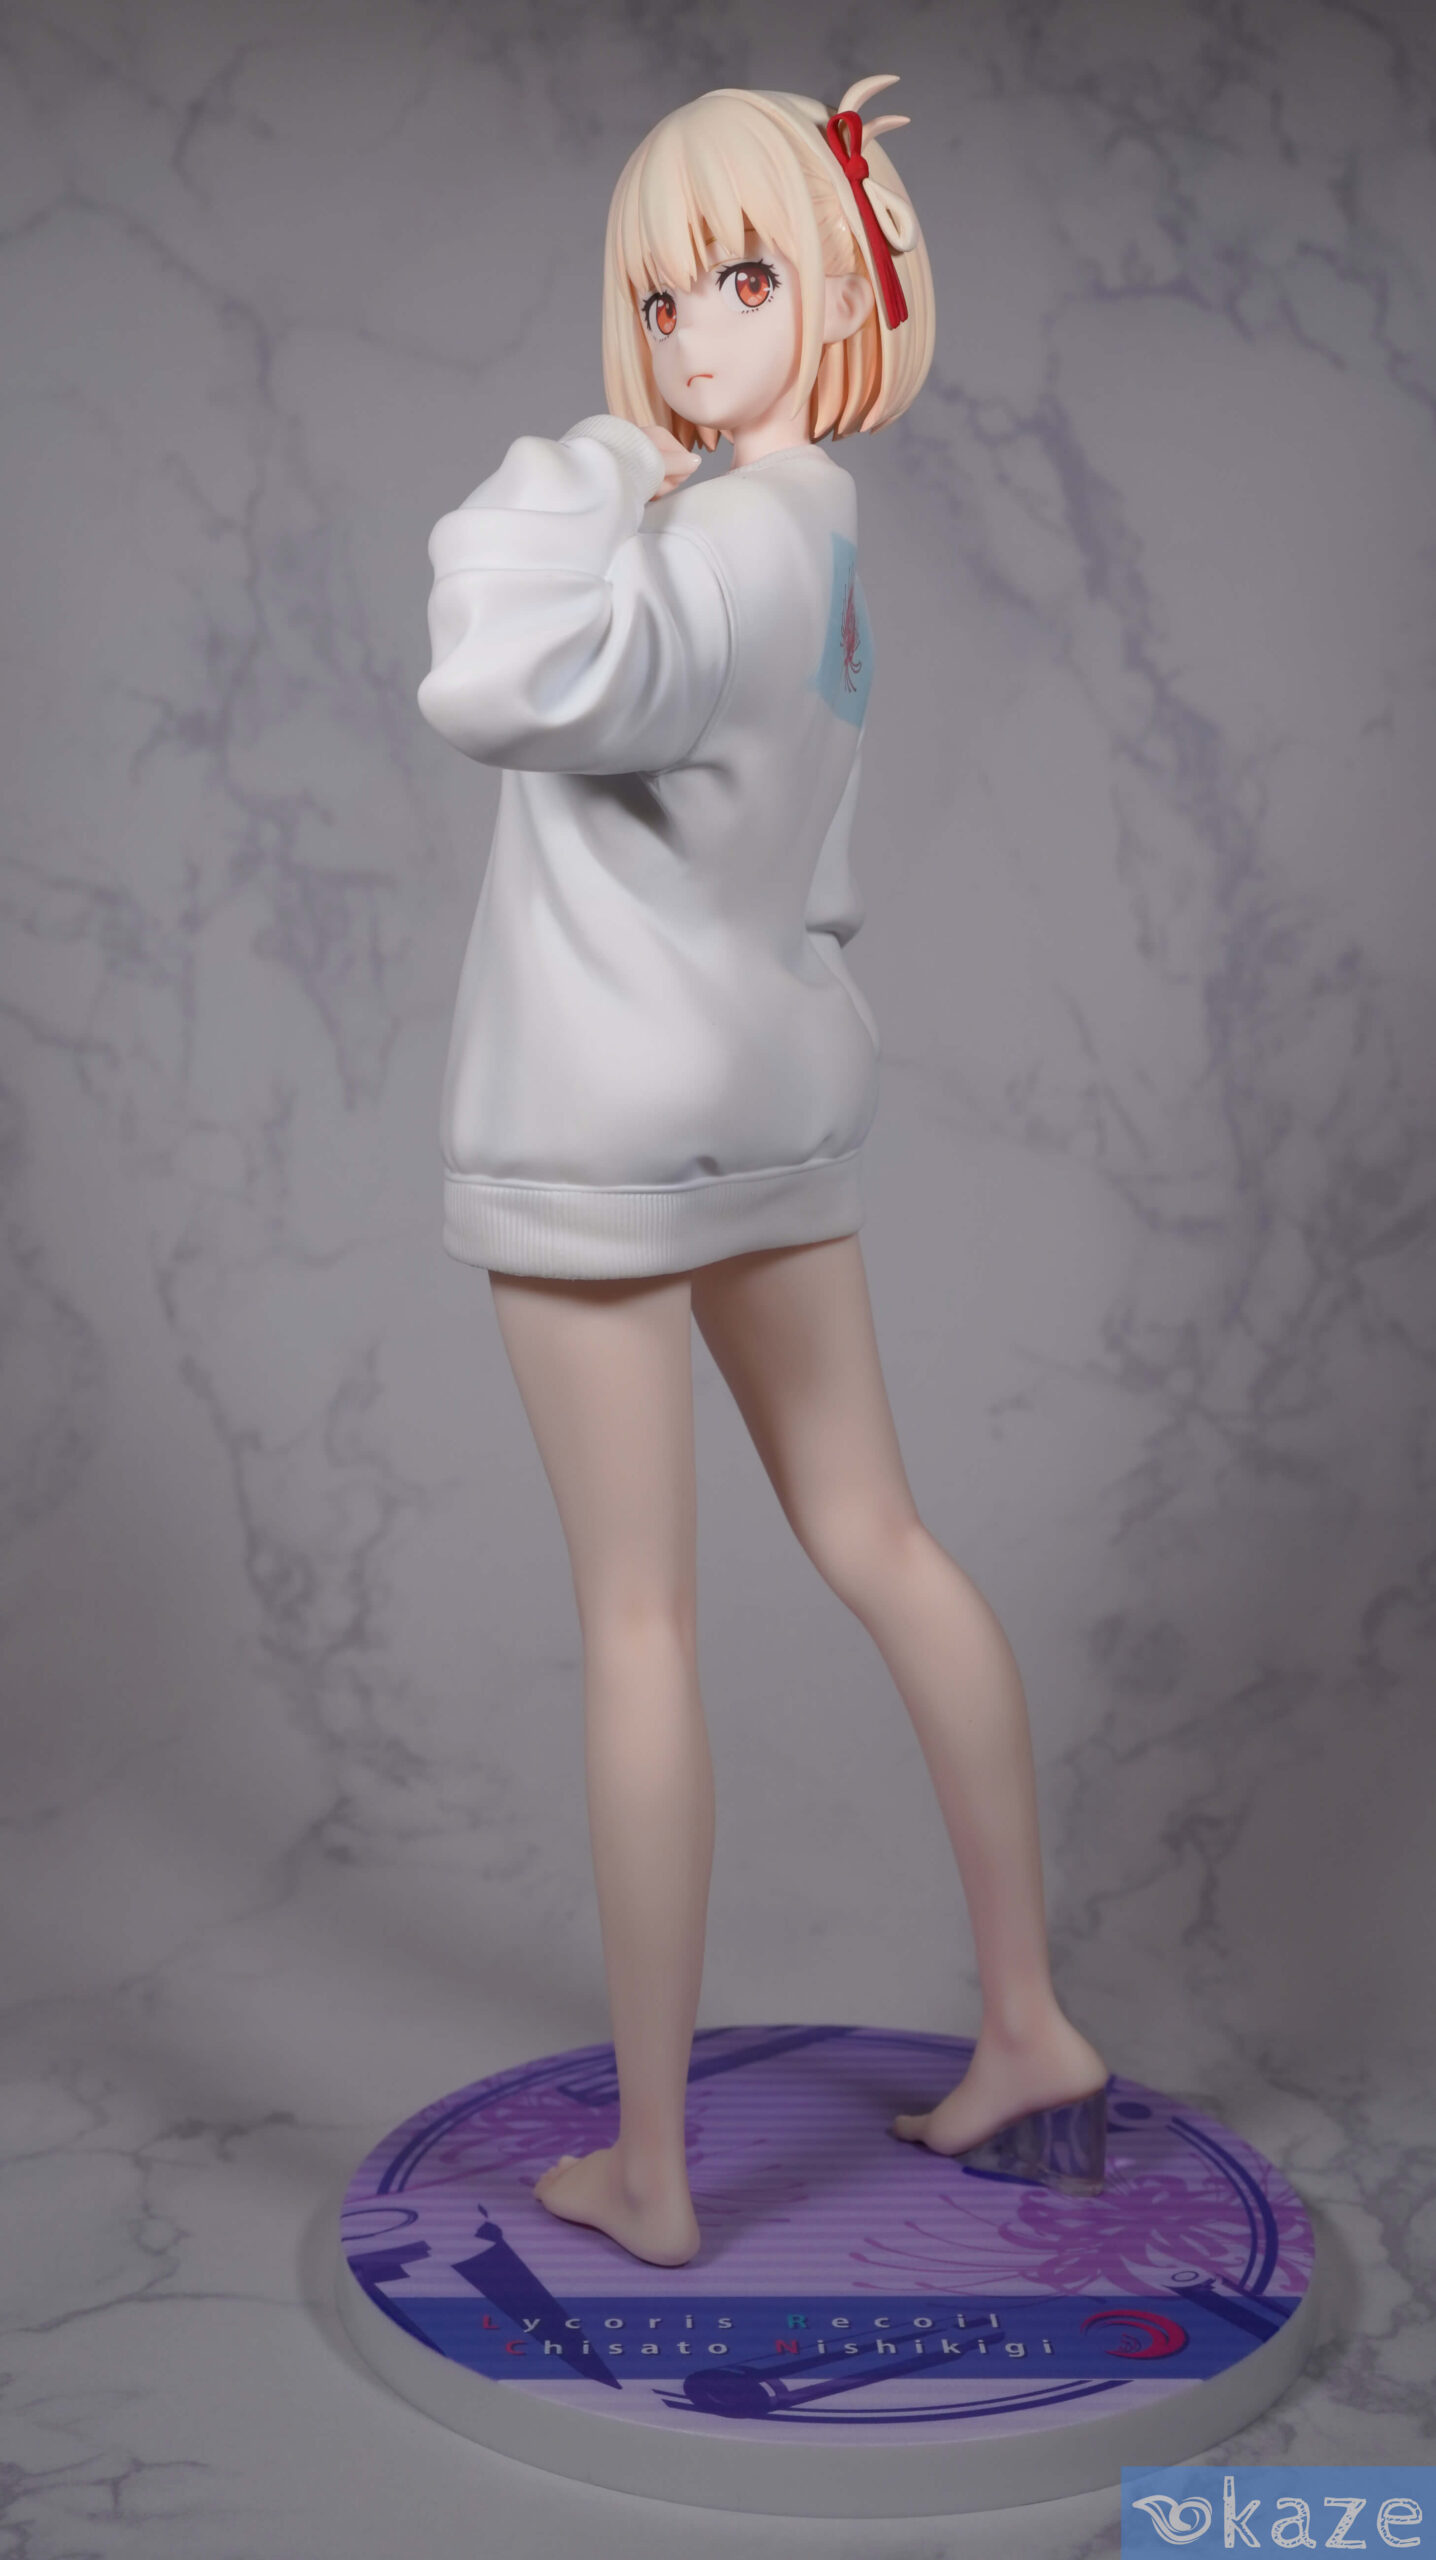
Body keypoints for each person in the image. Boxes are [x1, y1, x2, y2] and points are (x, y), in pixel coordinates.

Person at [416, 75, 1108, 2269]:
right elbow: (811, 869)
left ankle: (650, 2166)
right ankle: (1027, 2018)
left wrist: (580, 460)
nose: (689, 331)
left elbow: (496, 674)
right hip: (773, 1094)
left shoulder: (706, 542)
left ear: (834, 293)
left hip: (606, 1126)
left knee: (642, 1617)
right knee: (879, 1534)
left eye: (735, 279)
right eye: (657, 296)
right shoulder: (823, 546)